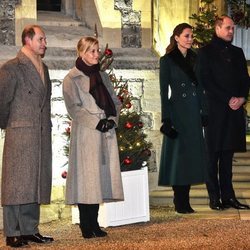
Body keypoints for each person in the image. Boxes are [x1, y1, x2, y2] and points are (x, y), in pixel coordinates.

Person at [63, 36, 124, 239]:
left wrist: (113, 119)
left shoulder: (103, 76)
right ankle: (85, 225)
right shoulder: (71, 78)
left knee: (98, 178)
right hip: (87, 134)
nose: (97, 54)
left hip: (105, 132)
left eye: (97, 50)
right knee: (86, 180)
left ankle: (95, 223)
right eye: (92, 51)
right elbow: (74, 108)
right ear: (82, 53)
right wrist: (96, 123)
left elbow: (115, 101)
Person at [0, 25, 54, 247]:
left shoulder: (45, 69)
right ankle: (12, 231)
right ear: (28, 40)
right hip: (20, 132)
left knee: (35, 181)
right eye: (41, 39)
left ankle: (30, 229)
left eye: (45, 39)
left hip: (40, 132)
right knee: (16, 183)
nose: (44, 43)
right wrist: (10, 125)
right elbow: (1, 102)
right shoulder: (12, 68)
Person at [196, 15, 250, 210]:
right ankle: (214, 198)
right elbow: (205, 81)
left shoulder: (237, 52)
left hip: (234, 112)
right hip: (215, 111)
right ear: (217, 28)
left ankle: (229, 197)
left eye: (233, 28)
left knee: (227, 157)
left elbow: (245, 79)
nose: (231, 31)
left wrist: (242, 97)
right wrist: (227, 99)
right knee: (213, 156)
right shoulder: (205, 52)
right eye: (228, 28)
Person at [158, 23, 208, 214]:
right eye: (186, 36)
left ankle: (185, 201)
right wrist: (166, 118)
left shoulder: (196, 58)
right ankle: (179, 201)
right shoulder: (167, 60)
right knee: (179, 157)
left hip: (194, 112)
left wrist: (204, 111)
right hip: (178, 112)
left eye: (191, 36)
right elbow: (164, 92)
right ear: (177, 37)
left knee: (191, 157)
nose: (190, 39)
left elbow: (201, 87)